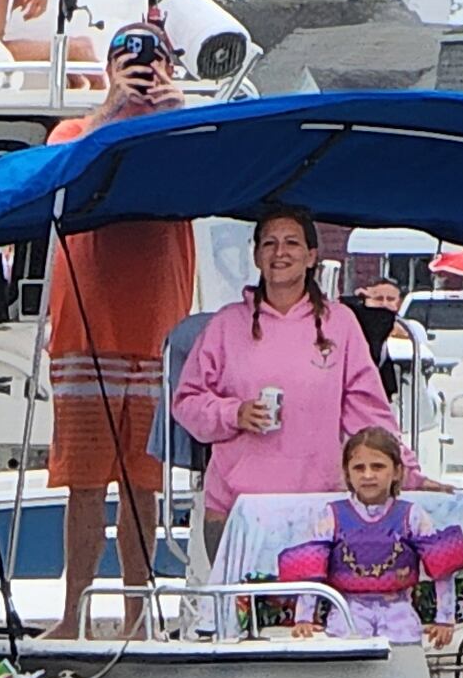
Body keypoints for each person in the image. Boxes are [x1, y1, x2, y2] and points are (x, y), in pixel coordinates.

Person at [43, 16, 192, 630]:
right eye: (129, 63)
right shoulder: (77, 129)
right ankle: (72, 613)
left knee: (142, 485)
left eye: (153, 63)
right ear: (108, 69)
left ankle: (137, 615)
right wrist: (111, 109)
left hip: (156, 329)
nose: (142, 75)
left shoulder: (183, 132)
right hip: (85, 328)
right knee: (83, 484)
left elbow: (210, 182)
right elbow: (57, 174)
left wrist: (175, 114)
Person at [168, 201, 394, 541]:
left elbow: (369, 412)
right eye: (269, 243)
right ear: (257, 256)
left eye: (292, 243)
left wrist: (409, 471)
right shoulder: (226, 324)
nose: (280, 252)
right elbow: (186, 402)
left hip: (319, 506)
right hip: (236, 508)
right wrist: (234, 413)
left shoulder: (341, 323)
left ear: (311, 256)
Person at [271, 430, 463, 643]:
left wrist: (445, 620)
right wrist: (303, 618)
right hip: (346, 611)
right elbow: (311, 570)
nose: (368, 475)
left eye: (378, 466)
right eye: (359, 468)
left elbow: (443, 567)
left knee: (404, 655)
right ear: (347, 474)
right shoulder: (331, 515)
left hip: (399, 611)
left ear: (397, 471)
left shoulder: (412, 515)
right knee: (350, 655)